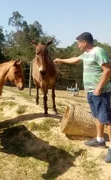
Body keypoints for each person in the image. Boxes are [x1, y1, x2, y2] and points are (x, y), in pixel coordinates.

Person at [54, 32, 111, 163]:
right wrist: (60, 60)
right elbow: (75, 59)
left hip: (100, 92)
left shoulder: (98, 51)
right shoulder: (86, 54)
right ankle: (99, 140)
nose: (78, 45)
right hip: (91, 92)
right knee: (97, 117)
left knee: (107, 119)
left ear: (84, 42)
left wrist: (98, 88)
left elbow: (108, 70)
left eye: (79, 42)